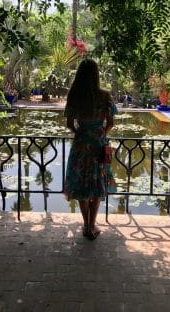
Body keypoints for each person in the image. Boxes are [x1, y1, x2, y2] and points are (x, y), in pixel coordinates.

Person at [64, 59, 118, 240]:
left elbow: (69, 124)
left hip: (80, 146)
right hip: (97, 146)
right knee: (96, 186)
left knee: (81, 185)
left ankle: (86, 225)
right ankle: (92, 226)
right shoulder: (104, 97)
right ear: (96, 75)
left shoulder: (73, 96)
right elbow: (110, 123)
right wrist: (100, 133)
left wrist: (81, 132)